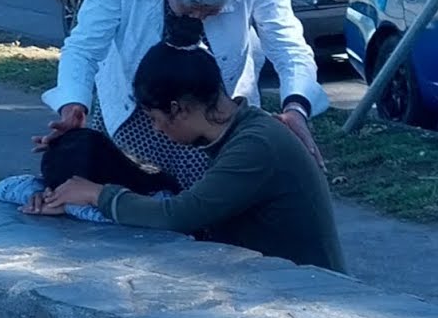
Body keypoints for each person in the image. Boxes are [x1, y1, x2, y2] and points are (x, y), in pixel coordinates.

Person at [35, 0, 329, 192]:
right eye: (192, 6)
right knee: (138, 207)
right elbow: (84, 45)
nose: (199, 16)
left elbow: (288, 44)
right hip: (138, 114)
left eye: (212, 9)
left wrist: (296, 105)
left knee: (212, 209)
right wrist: (73, 103)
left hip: (218, 116)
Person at [35, 40, 346, 273]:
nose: (156, 130)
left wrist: (96, 194)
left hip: (313, 295)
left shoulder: (255, 146)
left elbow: (178, 215)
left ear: (176, 109)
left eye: (153, 118)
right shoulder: (241, 133)